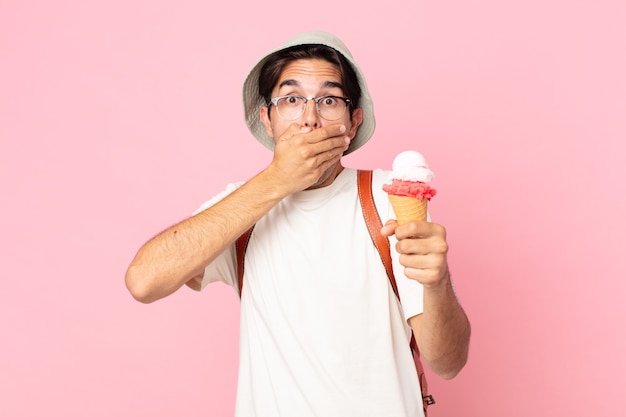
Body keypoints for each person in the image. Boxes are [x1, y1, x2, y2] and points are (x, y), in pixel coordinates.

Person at [125, 30, 470, 417]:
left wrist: (437, 282)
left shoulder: (389, 196)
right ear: (267, 119)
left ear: (353, 122)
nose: (309, 118)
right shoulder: (241, 206)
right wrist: (278, 180)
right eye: (291, 99)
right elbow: (144, 281)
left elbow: (448, 363)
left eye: (329, 100)